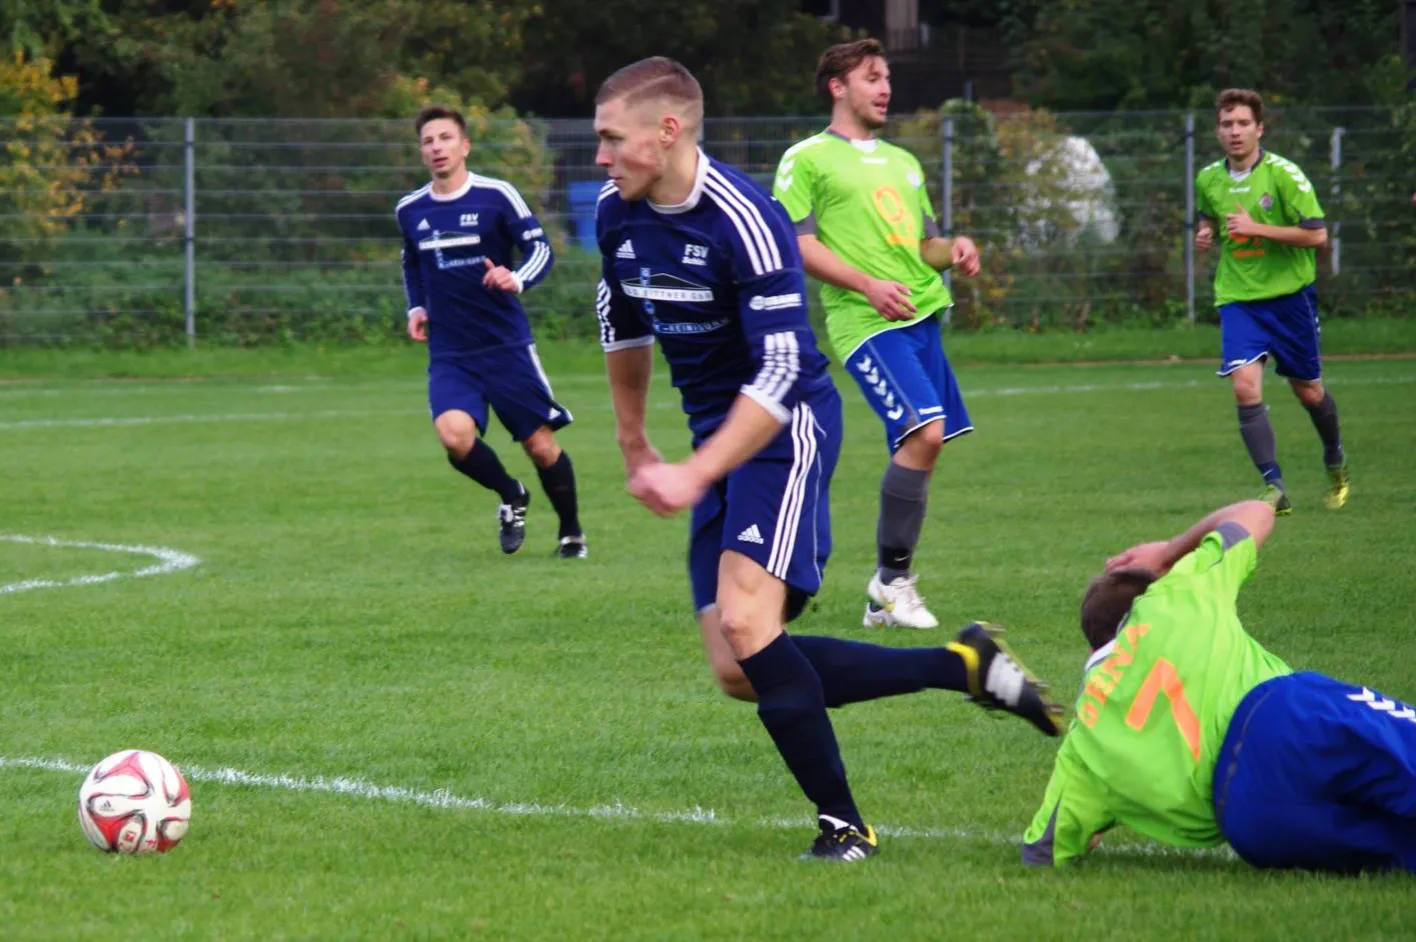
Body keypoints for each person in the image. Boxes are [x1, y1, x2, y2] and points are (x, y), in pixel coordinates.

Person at [592, 57, 1063, 862]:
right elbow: (623, 321)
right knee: (739, 667)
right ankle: (962, 667)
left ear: (667, 131)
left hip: (786, 428)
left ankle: (845, 826)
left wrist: (697, 473)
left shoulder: (747, 218)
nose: (600, 158)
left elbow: (780, 371)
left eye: (611, 139)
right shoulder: (617, 213)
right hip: (716, 442)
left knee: (746, 621)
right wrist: (635, 442)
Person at [1024, 499, 1413, 872]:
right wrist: (1169, 553)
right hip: (1286, 720)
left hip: (1251, 820)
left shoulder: (1083, 743)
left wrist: (1087, 830)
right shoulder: (1172, 596)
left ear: (1093, 646)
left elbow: (1042, 849)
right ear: (1147, 595)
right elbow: (1256, 511)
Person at [773, 40, 983, 631]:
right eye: (871, 77)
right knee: (926, 433)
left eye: (886, 77)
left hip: (921, 316)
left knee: (921, 448)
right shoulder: (806, 158)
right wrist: (866, 285)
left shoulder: (904, 162)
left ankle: (884, 597)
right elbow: (798, 244)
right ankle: (891, 583)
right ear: (837, 87)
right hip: (866, 323)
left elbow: (925, 245)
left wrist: (955, 249)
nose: (885, 87)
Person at [397, 105, 583, 557]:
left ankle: (571, 532)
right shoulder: (411, 209)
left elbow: (540, 248)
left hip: (505, 346)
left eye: (445, 138)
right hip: (451, 350)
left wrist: (515, 278)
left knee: (540, 446)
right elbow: (412, 261)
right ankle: (511, 494)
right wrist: (417, 306)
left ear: (464, 146)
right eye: (428, 141)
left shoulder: (497, 195)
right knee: (454, 436)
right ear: (421, 152)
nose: (437, 147)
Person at [1194, 89, 1347, 514]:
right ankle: (1273, 486)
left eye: (1243, 123)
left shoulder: (1285, 175)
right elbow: (1207, 212)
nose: (1235, 131)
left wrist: (1256, 228)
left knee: (1309, 391)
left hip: (1290, 299)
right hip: (1239, 298)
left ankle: (1334, 456)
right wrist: (1206, 231)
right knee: (1244, 386)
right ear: (1218, 131)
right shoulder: (1208, 178)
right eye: (1227, 124)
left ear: (1259, 129)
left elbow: (1317, 235)